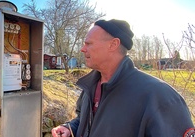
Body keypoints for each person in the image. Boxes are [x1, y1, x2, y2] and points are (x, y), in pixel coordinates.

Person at [51, 19, 195, 137]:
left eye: (88, 43)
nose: (83, 49)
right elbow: (87, 121)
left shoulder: (160, 97)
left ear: (113, 44)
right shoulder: (90, 86)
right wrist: (71, 128)